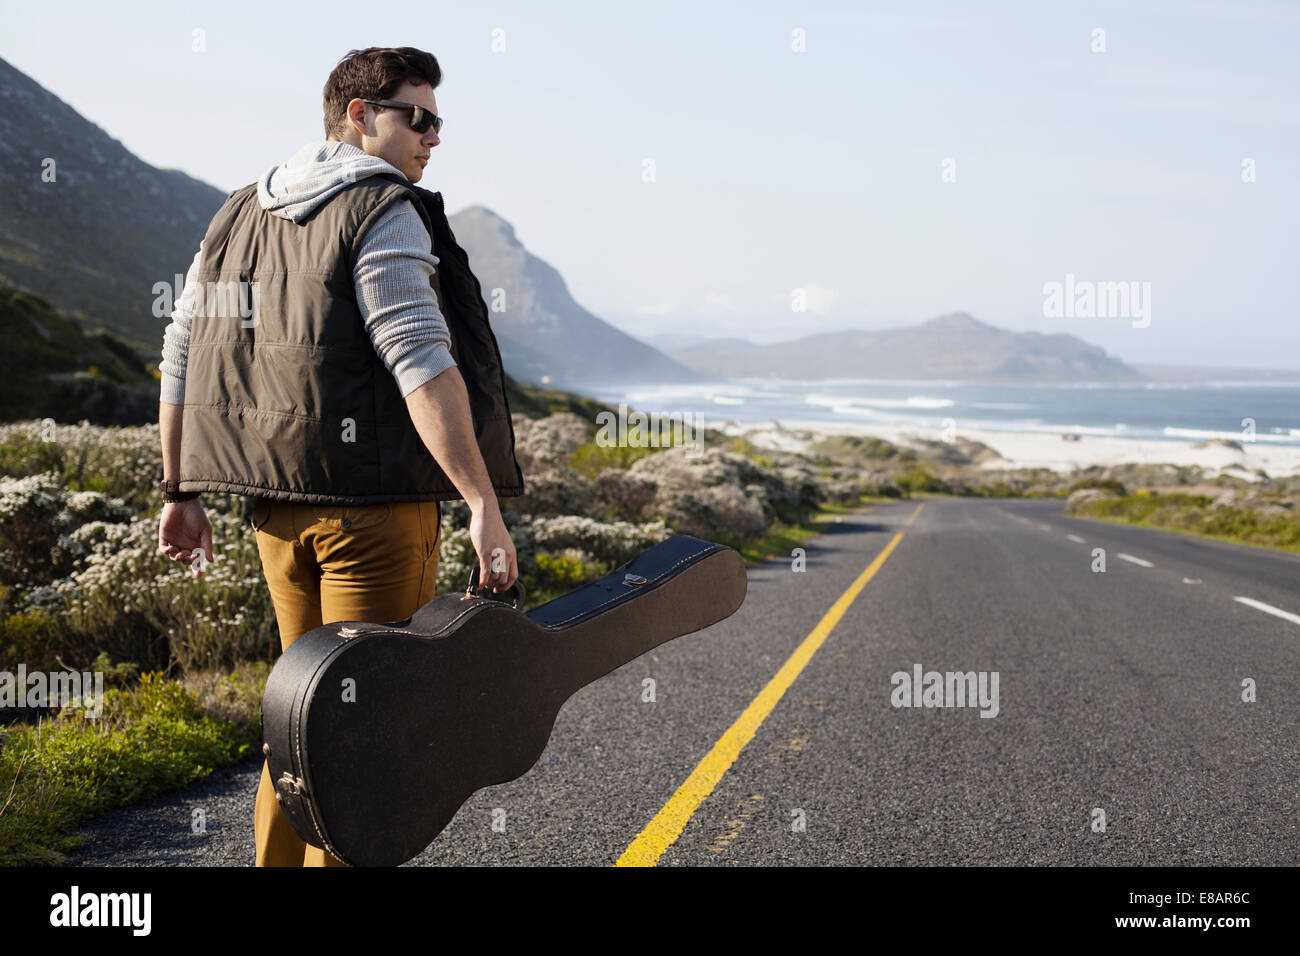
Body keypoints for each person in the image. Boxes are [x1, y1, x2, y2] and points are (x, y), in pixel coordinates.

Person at [154, 47, 523, 866]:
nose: (432, 137)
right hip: (377, 517)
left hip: (276, 515)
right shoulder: (382, 207)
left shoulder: (237, 213)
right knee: (365, 741)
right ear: (358, 117)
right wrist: (482, 502)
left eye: (438, 121)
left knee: (299, 723)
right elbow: (419, 354)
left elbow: (182, 350)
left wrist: (177, 488)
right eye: (416, 117)